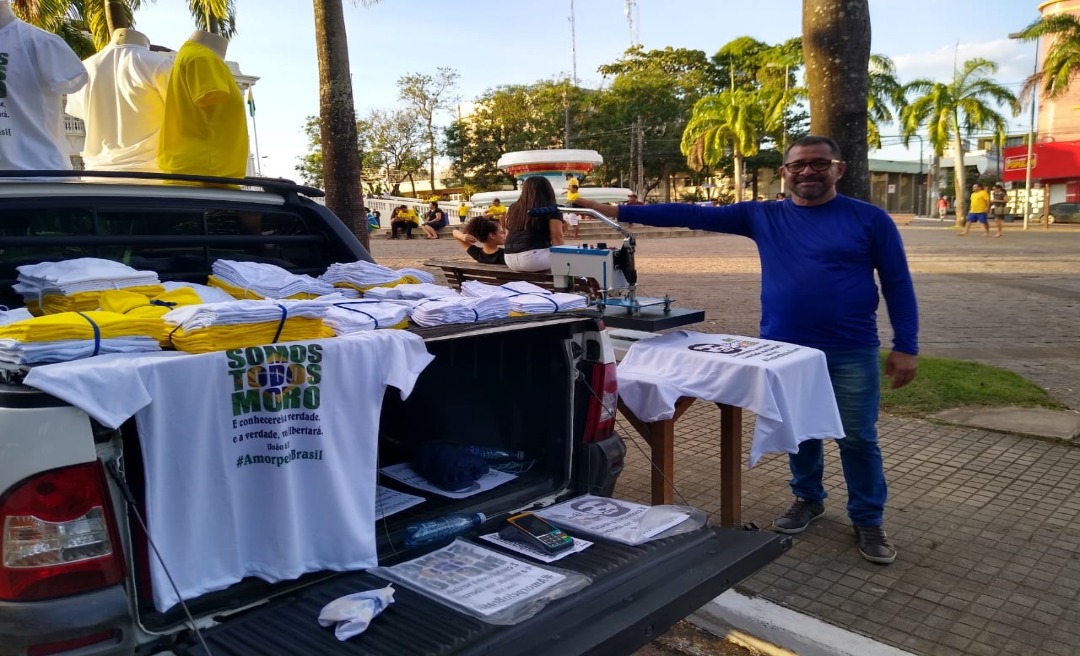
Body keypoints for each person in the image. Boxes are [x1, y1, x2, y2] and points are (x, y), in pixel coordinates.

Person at [575, 135, 918, 565]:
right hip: (782, 350)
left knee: (858, 438)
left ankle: (868, 518)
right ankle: (808, 498)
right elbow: (691, 214)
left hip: (851, 349)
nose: (808, 172)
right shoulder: (764, 215)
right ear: (784, 172)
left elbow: (897, 283)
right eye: (798, 165)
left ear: (839, 168)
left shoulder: (869, 219)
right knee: (799, 430)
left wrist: (906, 345)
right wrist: (614, 211)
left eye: (819, 163)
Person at [503, 176, 565, 272]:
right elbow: (557, 237)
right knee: (575, 258)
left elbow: (508, 233)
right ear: (548, 190)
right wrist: (563, 261)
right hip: (534, 259)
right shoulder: (551, 208)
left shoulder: (513, 207)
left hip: (509, 259)